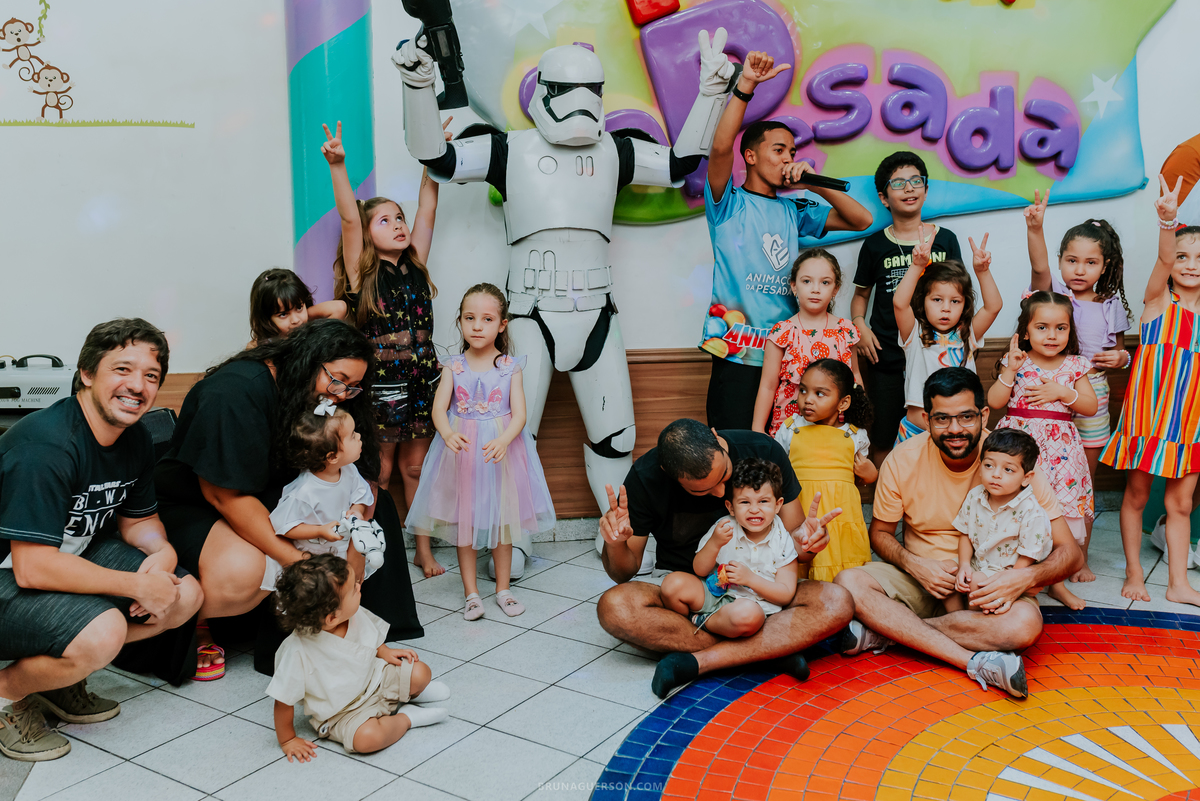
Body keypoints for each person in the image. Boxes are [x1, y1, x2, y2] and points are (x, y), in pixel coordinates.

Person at [154, 319, 423, 680]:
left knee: (378, 507)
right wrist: (301, 562)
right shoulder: (235, 392)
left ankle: (354, 625)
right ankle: (199, 623)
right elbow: (224, 494)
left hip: (273, 493)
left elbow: (361, 470)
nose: (341, 394)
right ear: (308, 361)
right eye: (338, 380)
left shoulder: (329, 395)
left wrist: (356, 530)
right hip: (197, 505)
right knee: (249, 568)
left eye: (354, 388)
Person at [0, 319, 203, 761]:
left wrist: (163, 553)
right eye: (122, 369)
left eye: (151, 376)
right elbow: (31, 568)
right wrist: (134, 585)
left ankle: (59, 678)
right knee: (102, 632)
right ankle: (5, 697)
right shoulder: (48, 445)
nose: (137, 385)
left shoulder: (135, 438)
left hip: (63, 557)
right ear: (88, 373)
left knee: (183, 595)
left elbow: (139, 523)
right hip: (11, 574)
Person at [833, 368, 1083, 699]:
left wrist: (1022, 579)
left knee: (1024, 625)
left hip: (992, 586)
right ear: (926, 418)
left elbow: (1071, 553)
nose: (955, 430)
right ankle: (971, 659)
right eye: (942, 419)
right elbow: (879, 534)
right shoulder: (902, 460)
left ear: (983, 414)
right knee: (848, 583)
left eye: (966, 417)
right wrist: (915, 565)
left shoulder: (1011, 462)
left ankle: (888, 633)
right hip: (923, 580)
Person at [595, 419, 853, 700]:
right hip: (694, 594)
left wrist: (810, 542)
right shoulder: (646, 478)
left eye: (725, 475)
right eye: (702, 490)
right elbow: (622, 573)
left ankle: (700, 662)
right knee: (614, 607)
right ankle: (771, 650)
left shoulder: (763, 450)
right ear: (669, 475)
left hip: (763, 585)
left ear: (716, 438)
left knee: (838, 602)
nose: (721, 493)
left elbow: (796, 548)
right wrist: (616, 544)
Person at [701, 50, 871, 431]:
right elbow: (718, 149)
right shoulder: (728, 204)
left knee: (780, 455)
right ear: (751, 156)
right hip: (736, 350)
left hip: (790, 355)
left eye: (792, 152)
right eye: (778, 150)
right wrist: (745, 85)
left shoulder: (794, 211)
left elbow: (862, 218)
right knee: (733, 446)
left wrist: (811, 182)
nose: (787, 159)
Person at [323, 119, 448, 579]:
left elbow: (429, 208)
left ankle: (422, 549)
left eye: (399, 218)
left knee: (416, 468)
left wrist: (434, 154)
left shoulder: (415, 263)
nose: (398, 225)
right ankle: (378, 549)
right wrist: (338, 164)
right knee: (379, 471)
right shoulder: (362, 275)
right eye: (386, 220)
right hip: (383, 389)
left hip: (423, 382)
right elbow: (348, 218)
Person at [406, 284, 555, 620]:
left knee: (502, 525)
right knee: (467, 524)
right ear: (459, 321)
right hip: (464, 452)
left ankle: (503, 589)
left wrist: (504, 441)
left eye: (486, 319)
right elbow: (438, 409)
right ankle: (471, 593)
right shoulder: (453, 366)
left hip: (500, 453)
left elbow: (519, 415)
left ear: (501, 324)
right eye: (469, 318)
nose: (476, 326)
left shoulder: (509, 367)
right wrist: (447, 433)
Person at [1102, 177, 1200, 607]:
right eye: (1183, 256)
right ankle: (1134, 571)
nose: (1191, 264)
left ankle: (1178, 583)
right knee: (1137, 495)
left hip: (1190, 423)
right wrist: (1168, 222)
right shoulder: (1158, 302)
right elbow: (1163, 258)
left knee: (1180, 506)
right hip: (1146, 418)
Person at [1024, 191, 1131, 583]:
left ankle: (1079, 557)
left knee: (1081, 479)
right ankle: (1042, 552)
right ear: (1060, 262)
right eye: (1072, 260)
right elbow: (1037, 269)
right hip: (1047, 392)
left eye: (1090, 262)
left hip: (1093, 395)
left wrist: (1122, 359)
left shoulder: (1110, 304)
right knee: (1045, 476)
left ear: (1105, 267)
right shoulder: (1057, 296)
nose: (1080, 270)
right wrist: (1035, 227)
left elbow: (1120, 352)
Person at [268, 555, 448, 760]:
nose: (358, 586)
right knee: (367, 739)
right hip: (343, 713)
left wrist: (384, 651)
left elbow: (371, 634)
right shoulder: (297, 651)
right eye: (353, 588)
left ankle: (411, 694)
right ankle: (407, 718)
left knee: (420, 671)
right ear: (332, 617)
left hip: (376, 681)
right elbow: (283, 702)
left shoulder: (351, 613)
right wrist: (288, 739)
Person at [852, 151, 963, 460]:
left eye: (916, 181)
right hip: (886, 355)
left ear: (925, 190)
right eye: (898, 183)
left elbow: (961, 293)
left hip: (934, 354)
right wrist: (859, 325)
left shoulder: (946, 240)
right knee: (884, 436)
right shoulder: (874, 245)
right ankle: (886, 505)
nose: (909, 188)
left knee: (940, 432)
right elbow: (860, 296)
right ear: (884, 197)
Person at [988, 295, 1097, 610]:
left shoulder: (1075, 365)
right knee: (1022, 507)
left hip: (1061, 452)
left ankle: (1055, 582)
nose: (1052, 335)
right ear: (1025, 331)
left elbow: (1090, 407)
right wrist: (1010, 369)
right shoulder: (1017, 362)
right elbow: (996, 401)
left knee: (1058, 512)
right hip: (1021, 450)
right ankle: (1016, 572)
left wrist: (1064, 392)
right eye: (1042, 327)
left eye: (1060, 328)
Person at [660, 459, 798, 639]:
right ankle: (694, 625)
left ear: (778, 505)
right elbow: (699, 569)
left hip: (752, 606)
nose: (754, 509)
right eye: (745, 502)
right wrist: (715, 543)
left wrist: (750, 579)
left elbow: (786, 593)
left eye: (763, 501)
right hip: (716, 594)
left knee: (748, 615)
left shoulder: (782, 538)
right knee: (672, 585)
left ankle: (703, 623)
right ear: (731, 507)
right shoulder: (724, 527)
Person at [891, 226, 1002, 445]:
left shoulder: (967, 334)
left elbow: (993, 307)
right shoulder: (914, 333)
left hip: (958, 436)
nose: (946, 309)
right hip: (916, 433)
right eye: (937, 300)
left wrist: (982, 272)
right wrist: (917, 266)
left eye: (955, 301)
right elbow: (899, 303)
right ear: (923, 300)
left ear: (964, 304)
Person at [260, 404, 381, 594]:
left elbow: (361, 494)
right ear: (332, 456)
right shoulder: (304, 491)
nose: (359, 437)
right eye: (352, 436)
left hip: (341, 550)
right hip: (316, 560)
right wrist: (319, 531)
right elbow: (284, 526)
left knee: (344, 595)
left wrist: (357, 510)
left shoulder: (349, 470)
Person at [773, 359, 877, 581]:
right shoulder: (791, 428)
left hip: (841, 516)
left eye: (820, 394)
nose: (807, 399)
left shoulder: (855, 436)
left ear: (843, 402)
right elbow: (777, 472)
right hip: (800, 511)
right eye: (803, 390)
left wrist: (870, 474)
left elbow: (862, 479)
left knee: (844, 571)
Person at [751, 248, 861, 436]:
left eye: (825, 282)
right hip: (790, 429)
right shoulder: (782, 332)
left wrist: (859, 423)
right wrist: (757, 429)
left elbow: (856, 378)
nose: (815, 289)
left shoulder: (846, 331)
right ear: (794, 286)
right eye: (807, 281)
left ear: (835, 289)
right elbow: (768, 385)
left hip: (836, 428)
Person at [946, 430, 1053, 613]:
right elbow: (965, 534)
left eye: (1008, 469)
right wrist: (964, 565)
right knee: (946, 574)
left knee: (977, 583)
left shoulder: (1031, 511)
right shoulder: (975, 497)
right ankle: (956, 617)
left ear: (1026, 478)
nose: (996, 474)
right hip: (977, 563)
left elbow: (1027, 557)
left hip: (1008, 571)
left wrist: (1007, 583)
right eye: (989, 465)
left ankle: (972, 623)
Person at [247, 268, 347, 348]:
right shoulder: (262, 345)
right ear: (266, 319)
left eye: (299, 308)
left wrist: (305, 315)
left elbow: (339, 308)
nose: (295, 320)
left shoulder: (311, 336)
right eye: (283, 314)